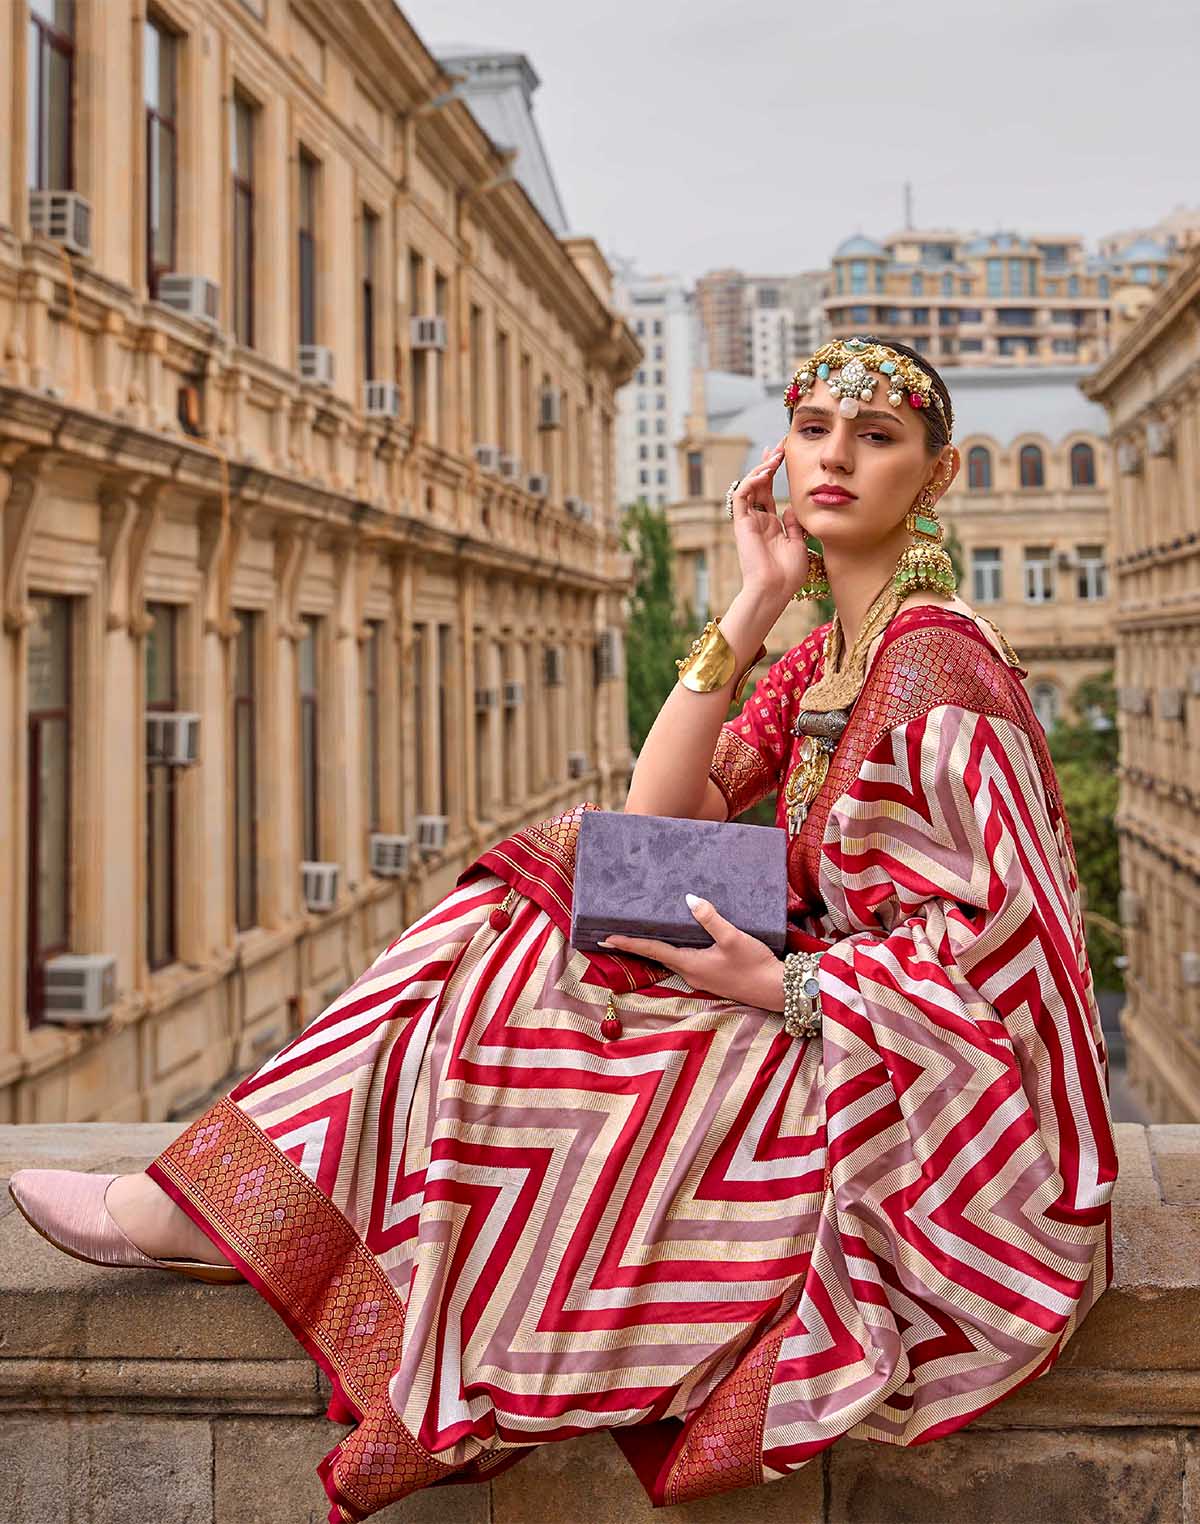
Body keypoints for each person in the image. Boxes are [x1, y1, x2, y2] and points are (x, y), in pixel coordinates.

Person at [9, 336, 1118, 1520]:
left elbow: (1011, 959)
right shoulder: (830, 658)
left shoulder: (936, 669)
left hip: (926, 1095)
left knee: (528, 981)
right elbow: (664, 812)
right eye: (811, 430)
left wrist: (778, 987)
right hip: (836, 1016)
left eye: (877, 436)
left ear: (936, 479)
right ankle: (230, 1201)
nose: (834, 457)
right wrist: (747, 601)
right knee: (549, 887)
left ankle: (217, 1208)